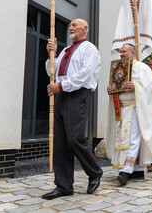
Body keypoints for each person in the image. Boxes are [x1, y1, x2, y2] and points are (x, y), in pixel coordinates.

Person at [42, 19, 102, 200]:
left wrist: (60, 86)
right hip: (61, 94)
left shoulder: (90, 49)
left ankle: (95, 171)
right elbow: (52, 71)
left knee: (74, 138)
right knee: (60, 142)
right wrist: (50, 54)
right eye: (70, 25)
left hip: (77, 94)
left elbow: (84, 75)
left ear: (86, 28)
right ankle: (64, 185)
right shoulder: (66, 51)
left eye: (75, 25)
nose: (71, 27)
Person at [105, 44, 152, 185]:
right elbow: (117, 86)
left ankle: (125, 171)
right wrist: (111, 89)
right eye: (120, 51)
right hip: (121, 109)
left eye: (124, 51)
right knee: (124, 139)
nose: (121, 54)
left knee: (132, 138)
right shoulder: (118, 67)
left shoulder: (143, 68)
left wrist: (136, 87)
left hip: (136, 108)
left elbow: (151, 89)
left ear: (132, 53)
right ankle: (137, 171)